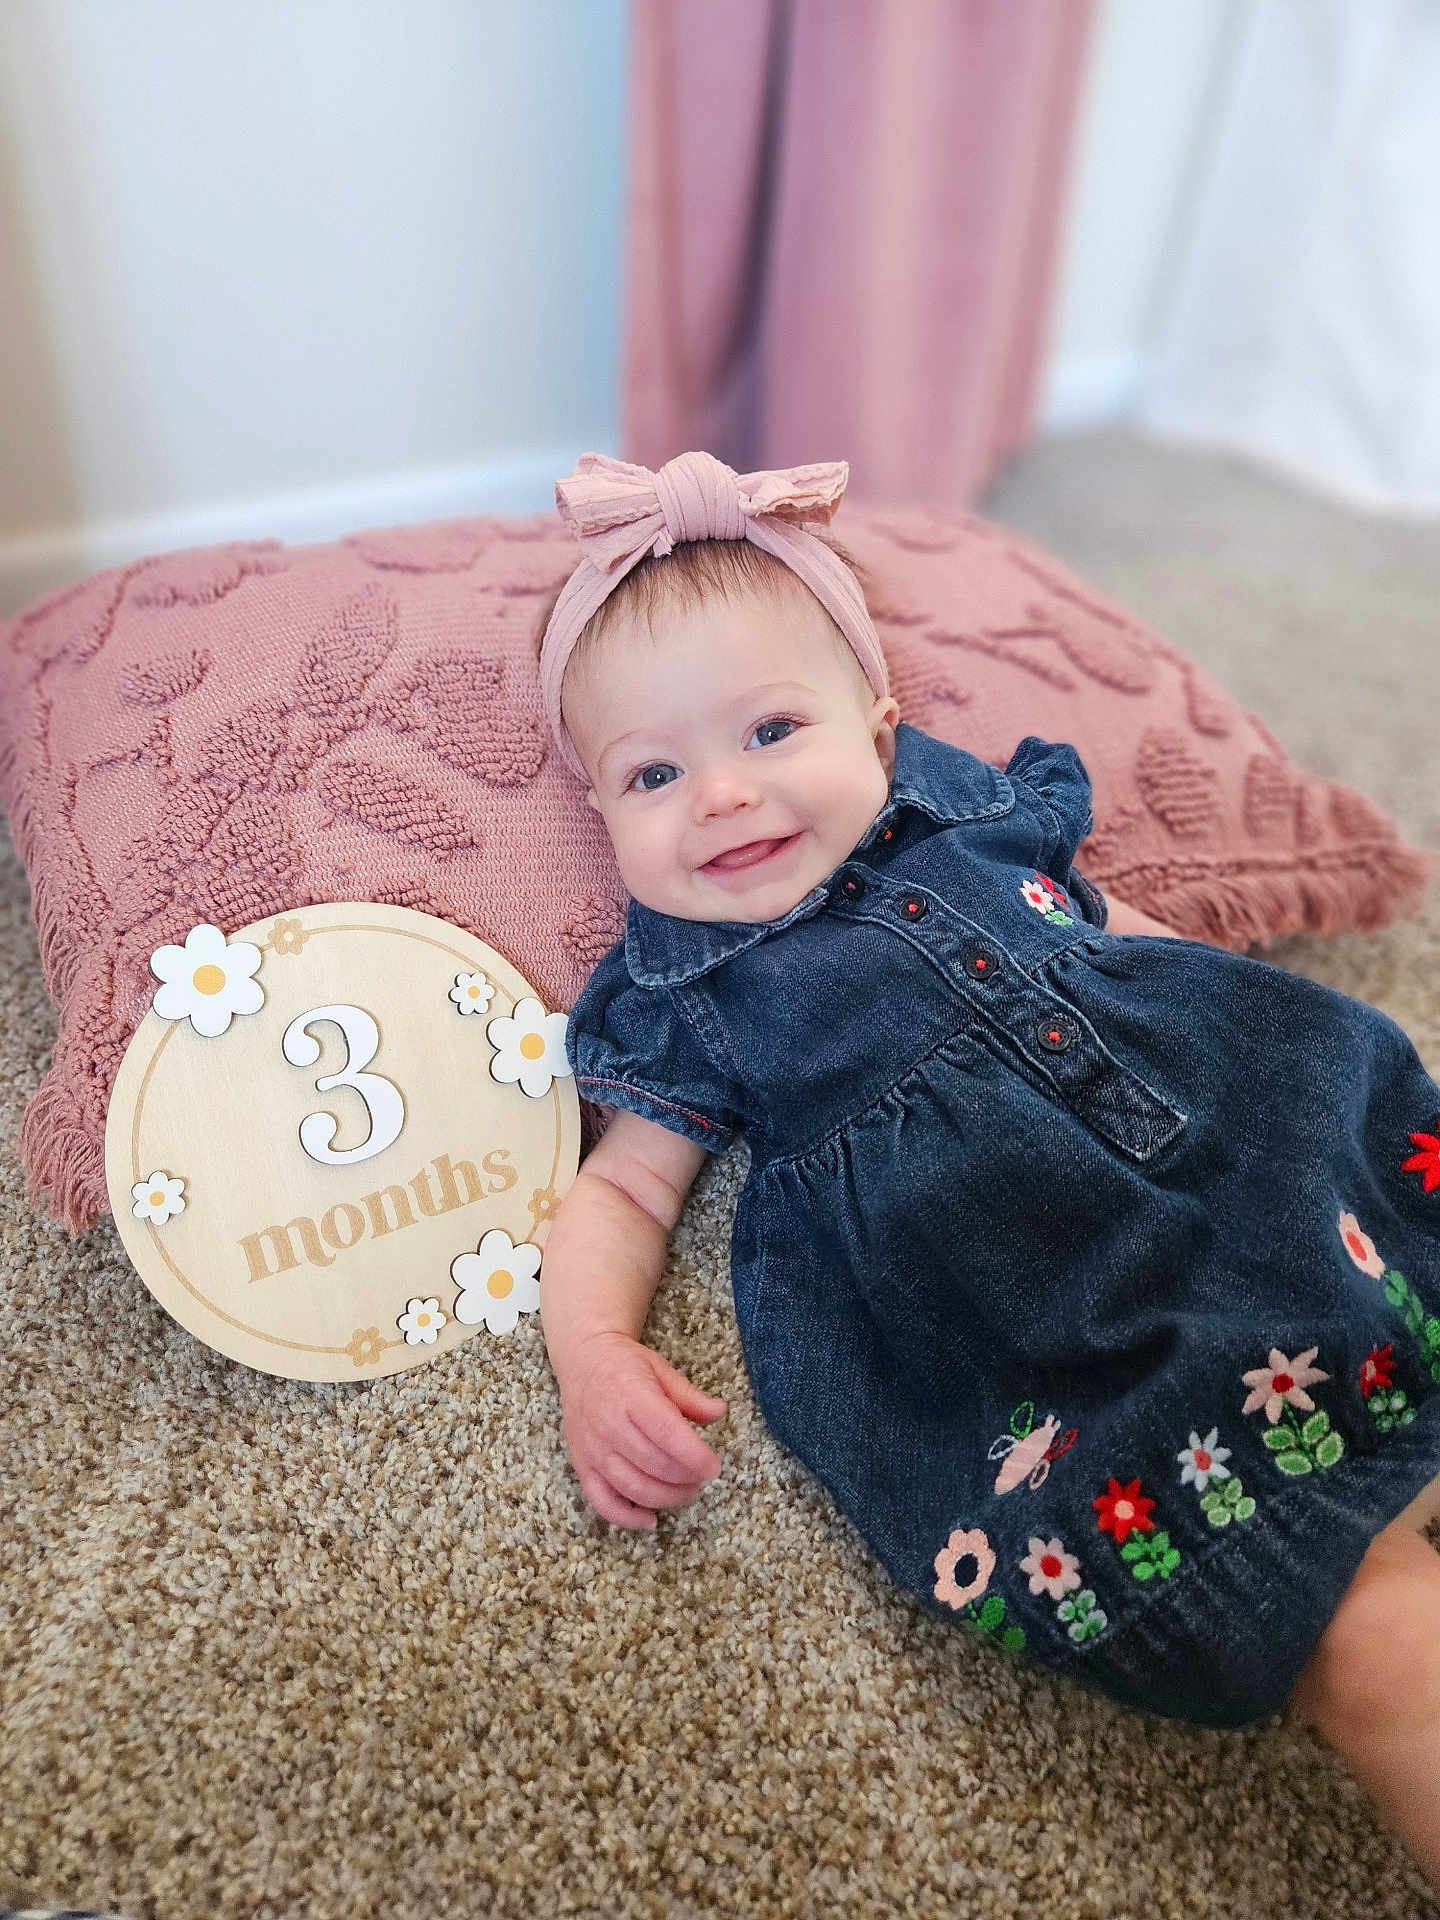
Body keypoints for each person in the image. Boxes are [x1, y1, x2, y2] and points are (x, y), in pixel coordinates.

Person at [535, 449, 1440, 1883]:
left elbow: (1110, 925)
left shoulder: (972, 810)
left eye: (771, 729)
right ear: (600, 813)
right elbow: (623, 1190)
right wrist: (592, 1353)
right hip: (1049, 1291)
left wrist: (1235, 1020)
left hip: (1241, 1145)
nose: (722, 795)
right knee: (1356, 1607)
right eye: (655, 772)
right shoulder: (682, 994)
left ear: (883, 730)